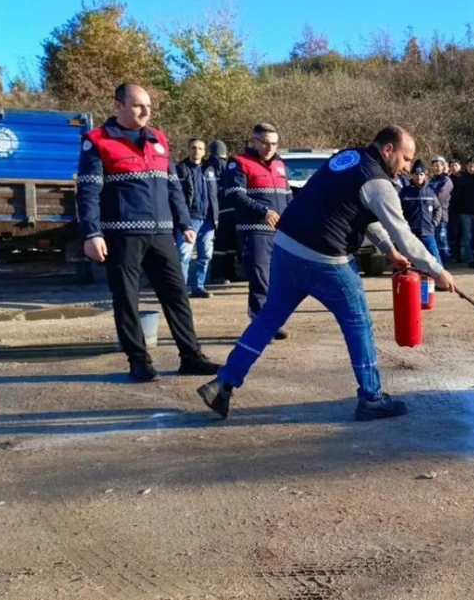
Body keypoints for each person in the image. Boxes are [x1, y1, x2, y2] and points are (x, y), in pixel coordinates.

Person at [195, 126, 457, 422]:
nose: (408, 167)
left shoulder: (348, 158)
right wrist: (437, 271)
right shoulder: (379, 183)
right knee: (358, 322)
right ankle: (372, 398)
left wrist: (387, 250)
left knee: (268, 319)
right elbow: (405, 235)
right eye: (406, 159)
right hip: (325, 258)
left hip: (286, 246)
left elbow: (359, 211)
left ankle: (224, 382)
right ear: (388, 150)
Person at [75, 83, 220, 382]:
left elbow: (172, 186)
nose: (146, 111)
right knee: (127, 300)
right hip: (122, 236)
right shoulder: (97, 141)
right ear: (118, 107)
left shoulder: (158, 139)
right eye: (139, 105)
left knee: (177, 295)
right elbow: (88, 191)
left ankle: (190, 356)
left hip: (161, 235)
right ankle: (139, 361)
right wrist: (92, 233)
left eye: (149, 107)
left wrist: (183, 223)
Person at [223, 123, 293, 340]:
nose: (268, 147)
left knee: (277, 279)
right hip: (255, 231)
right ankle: (261, 324)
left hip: (279, 232)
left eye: (273, 143)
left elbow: (287, 196)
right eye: (264, 142)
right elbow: (235, 195)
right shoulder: (239, 163)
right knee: (260, 277)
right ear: (253, 141)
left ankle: (272, 322)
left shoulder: (280, 165)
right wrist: (263, 211)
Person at [175, 138, 217, 298]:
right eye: (193, 148)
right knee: (183, 255)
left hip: (208, 219)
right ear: (188, 149)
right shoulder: (180, 169)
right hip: (189, 219)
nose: (196, 151)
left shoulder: (209, 169)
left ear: (204, 151)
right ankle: (180, 289)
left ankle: (198, 287)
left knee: (205, 255)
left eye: (200, 148)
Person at [401, 160, 443, 262]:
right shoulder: (404, 192)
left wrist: (434, 222)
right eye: (416, 174)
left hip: (427, 233)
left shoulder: (430, 191)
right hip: (410, 234)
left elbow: (438, 208)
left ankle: (439, 277)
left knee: (435, 259)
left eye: (421, 174)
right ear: (412, 175)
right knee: (408, 262)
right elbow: (398, 210)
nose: (418, 177)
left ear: (425, 175)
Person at [204, 140, 233, 284]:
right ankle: (226, 273)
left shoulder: (206, 166)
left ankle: (218, 273)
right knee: (228, 245)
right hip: (229, 210)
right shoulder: (225, 165)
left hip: (215, 212)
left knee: (220, 245)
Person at [428, 156, 454, 265]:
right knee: (434, 240)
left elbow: (440, 196)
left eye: (438, 166)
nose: (436, 168)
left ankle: (444, 262)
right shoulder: (431, 180)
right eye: (435, 166)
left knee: (442, 240)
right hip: (430, 215)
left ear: (443, 166)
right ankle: (437, 263)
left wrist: (428, 200)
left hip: (442, 215)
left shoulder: (446, 181)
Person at [447, 157, 463, 262]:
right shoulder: (448, 179)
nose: (453, 167)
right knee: (454, 233)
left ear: (460, 166)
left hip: (465, 209)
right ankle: (455, 255)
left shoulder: (464, 178)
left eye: (455, 165)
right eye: (451, 165)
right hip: (452, 210)